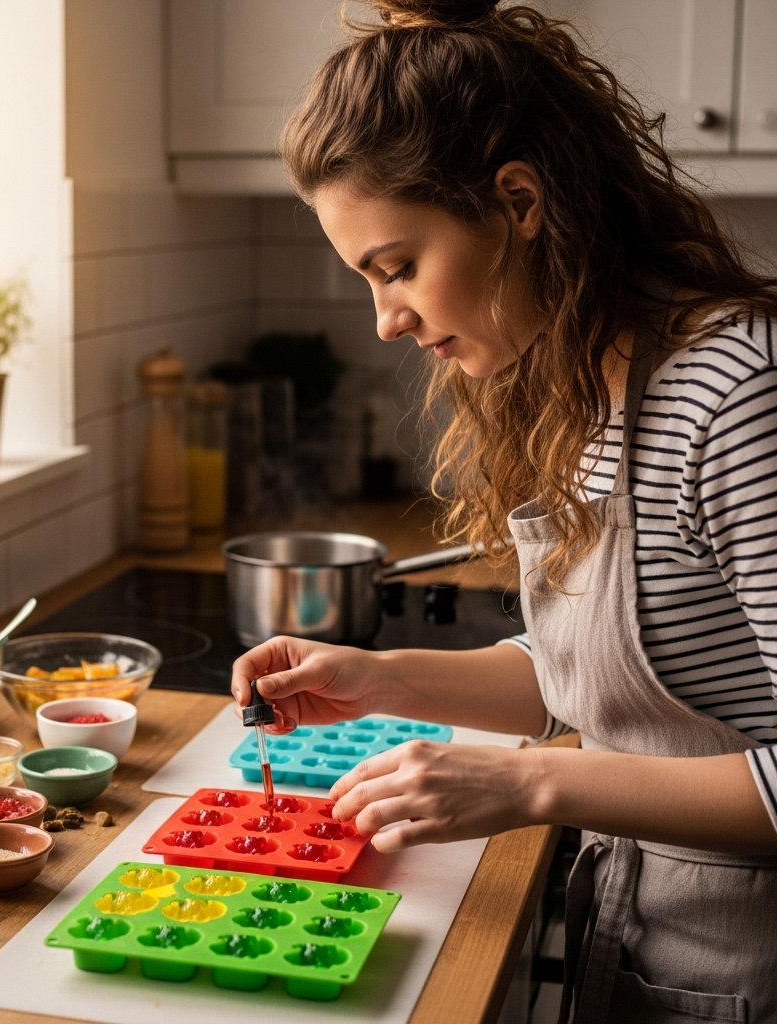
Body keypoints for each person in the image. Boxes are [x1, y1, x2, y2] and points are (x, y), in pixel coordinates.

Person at [230, 2, 777, 1020]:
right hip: (638, 939)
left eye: (396, 266)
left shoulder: (735, 392)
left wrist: (529, 786)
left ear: (518, 201)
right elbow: (589, 684)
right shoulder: (581, 384)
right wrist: (379, 678)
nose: (387, 317)